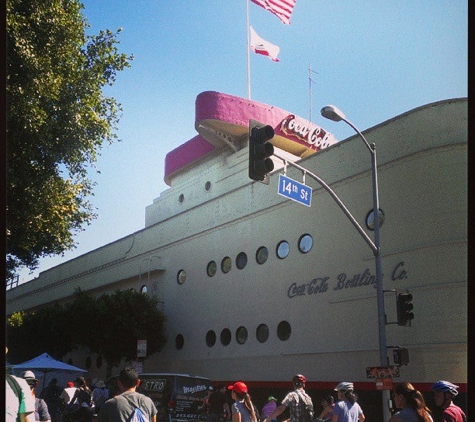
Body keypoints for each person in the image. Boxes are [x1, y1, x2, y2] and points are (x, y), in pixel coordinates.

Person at [6, 346, 36, 422]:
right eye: (28, 382)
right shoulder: (19, 385)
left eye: (32, 383)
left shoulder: (19, 385)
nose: (30, 385)